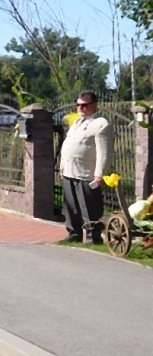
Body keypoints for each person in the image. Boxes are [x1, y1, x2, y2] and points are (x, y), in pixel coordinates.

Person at [59, 91, 112, 244]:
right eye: (78, 105)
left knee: (90, 207)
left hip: (87, 173)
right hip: (70, 171)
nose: (81, 108)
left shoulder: (101, 124)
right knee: (71, 207)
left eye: (85, 105)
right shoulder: (76, 123)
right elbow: (67, 146)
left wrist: (100, 174)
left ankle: (92, 237)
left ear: (94, 105)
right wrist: (62, 168)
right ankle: (74, 234)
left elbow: (104, 152)